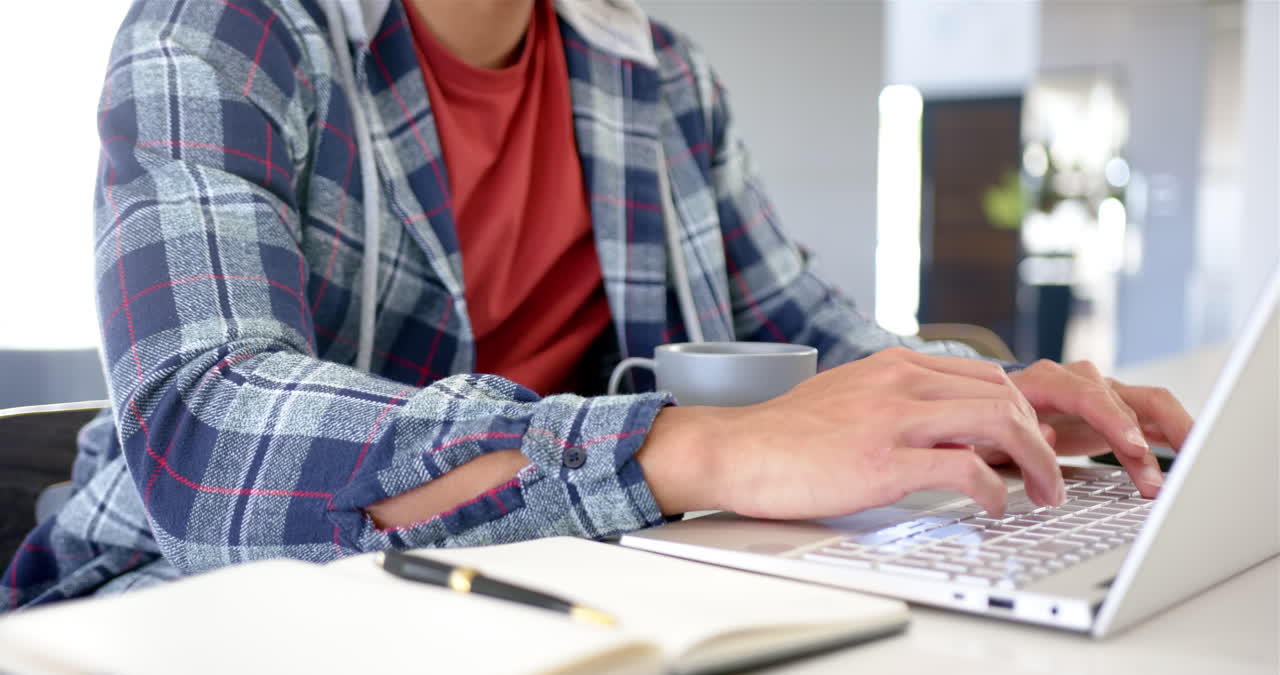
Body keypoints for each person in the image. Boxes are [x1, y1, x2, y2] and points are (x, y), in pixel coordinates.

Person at [2, 0, 1191, 610]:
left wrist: (973, 399)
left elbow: (802, 326)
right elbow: (205, 436)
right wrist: (689, 448)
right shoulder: (222, 32)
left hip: (537, 590)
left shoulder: (656, 72)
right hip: (192, 599)